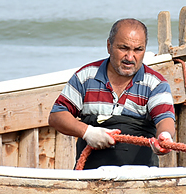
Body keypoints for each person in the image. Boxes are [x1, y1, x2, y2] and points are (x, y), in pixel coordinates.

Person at [49, 18, 176, 169]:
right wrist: (87, 132)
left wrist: (165, 137)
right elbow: (57, 115)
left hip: (141, 179)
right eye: (123, 48)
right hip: (90, 177)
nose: (130, 57)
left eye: (138, 50)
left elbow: (165, 120)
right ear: (109, 46)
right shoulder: (85, 77)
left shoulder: (156, 84)